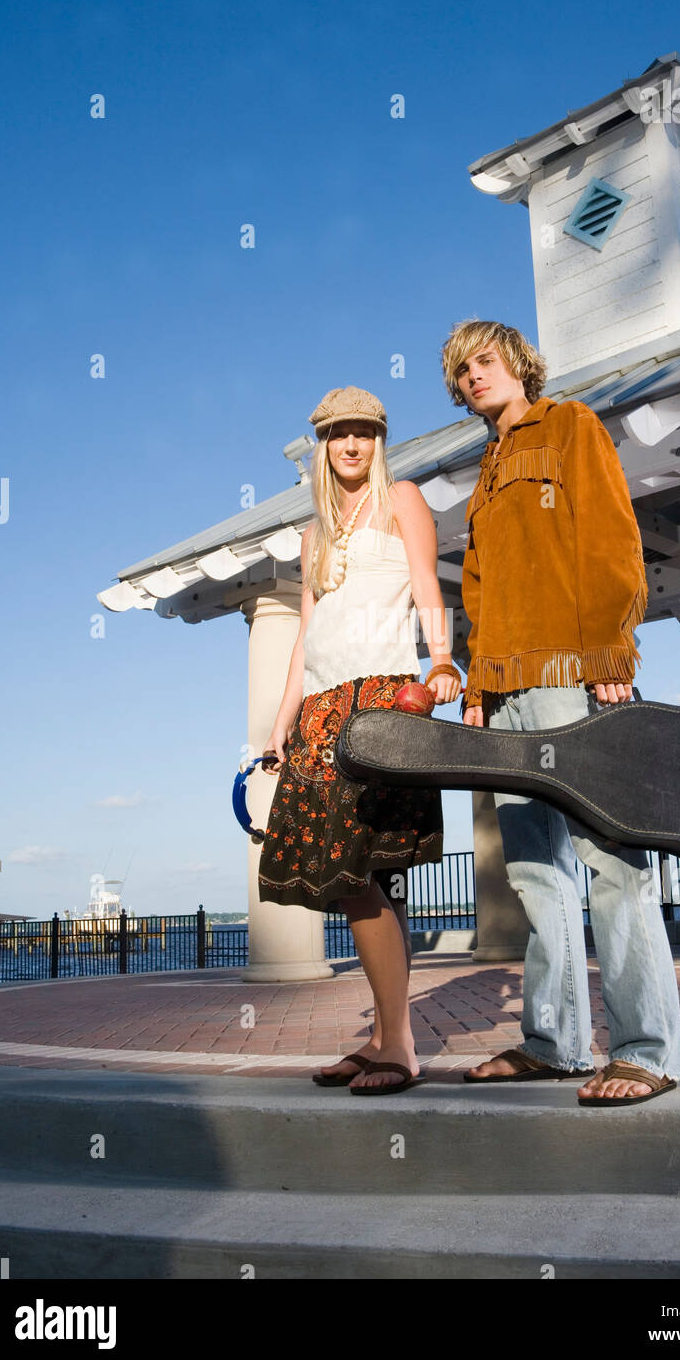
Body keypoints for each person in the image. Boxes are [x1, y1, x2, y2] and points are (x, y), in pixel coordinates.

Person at [441, 320, 680, 1106]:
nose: (474, 376)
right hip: (505, 688)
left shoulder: (570, 425)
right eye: (461, 371)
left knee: (613, 865)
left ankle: (646, 1049)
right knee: (536, 873)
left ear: (517, 364)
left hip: (571, 675)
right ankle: (557, 1043)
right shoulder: (488, 468)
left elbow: (612, 539)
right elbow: (475, 589)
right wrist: (477, 687)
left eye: (484, 362)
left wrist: (612, 650)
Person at [257, 386, 463, 1094]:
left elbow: (430, 595)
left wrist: (441, 660)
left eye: (365, 433)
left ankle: (399, 1045)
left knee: (359, 874)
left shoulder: (404, 497)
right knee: (358, 879)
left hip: (381, 701)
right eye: (339, 433)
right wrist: (280, 724)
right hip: (320, 711)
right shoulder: (314, 535)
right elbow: (305, 639)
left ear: (380, 441)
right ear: (321, 444)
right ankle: (380, 1035)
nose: (352, 444)